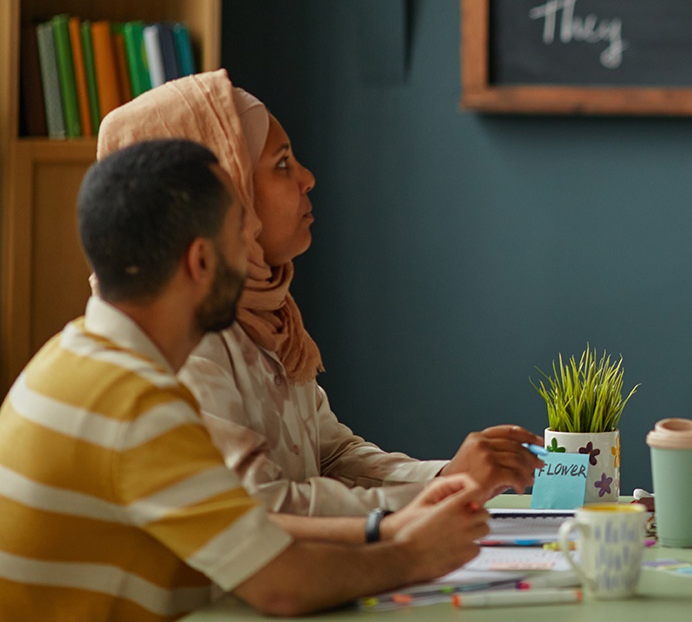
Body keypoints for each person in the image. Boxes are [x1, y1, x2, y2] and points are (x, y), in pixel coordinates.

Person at [0, 140, 488, 619]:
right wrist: (416, 556)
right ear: (201, 262)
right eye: (239, 226)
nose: (254, 232)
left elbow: (249, 526)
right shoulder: (136, 404)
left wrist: (388, 530)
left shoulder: (76, 358)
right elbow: (281, 586)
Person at [96, 70, 540, 516]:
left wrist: (447, 479)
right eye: (282, 164)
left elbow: (330, 456)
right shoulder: (184, 341)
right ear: (228, 192)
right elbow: (260, 513)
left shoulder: (270, 315)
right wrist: (440, 495)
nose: (307, 178)